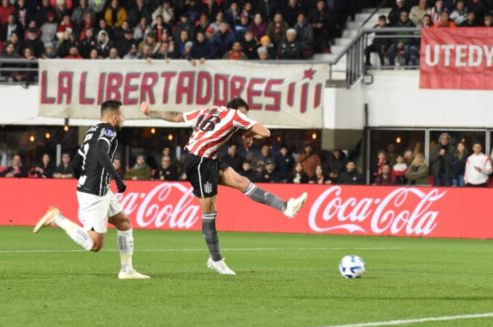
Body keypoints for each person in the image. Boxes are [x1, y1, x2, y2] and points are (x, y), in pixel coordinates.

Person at [141, 98, 307, 275]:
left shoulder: (209, 111)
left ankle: (285, 207)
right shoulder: (235, 115)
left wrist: (150, 112)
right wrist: (248, 133)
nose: (245, 117)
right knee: (209, 210)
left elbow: (177, 117)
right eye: (244, 112)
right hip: (198, 162)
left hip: (205, 159)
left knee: (242, 182)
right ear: (235, 109)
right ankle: (215, 259)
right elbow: (265, 132)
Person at [34, 100, 149, 280]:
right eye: (123, 116)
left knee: (124, 223)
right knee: (94, 245)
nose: (124, 120)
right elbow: (101, 153)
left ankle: (127, 270)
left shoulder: (92, 131)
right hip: (94, 191)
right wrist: (117, 179)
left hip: (97, 188)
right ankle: (58, 218)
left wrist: (85, 177)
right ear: (115, 116)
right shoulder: (109, 131)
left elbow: (75, 163)